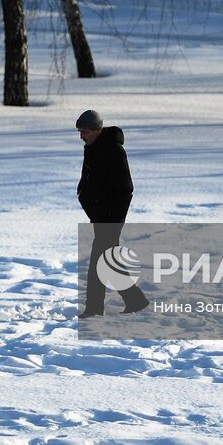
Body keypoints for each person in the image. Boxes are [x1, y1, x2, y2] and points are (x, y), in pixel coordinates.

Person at [76, 109, 150, 318]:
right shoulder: (92, 148)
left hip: (109, 219)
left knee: (98, 264)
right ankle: (135, 300)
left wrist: (112, 217)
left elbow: (126, 189)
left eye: (84, 131)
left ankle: (94, 308)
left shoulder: (114, 151)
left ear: (97, 130)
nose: (81, 136)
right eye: (80, 131)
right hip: (100, 217)